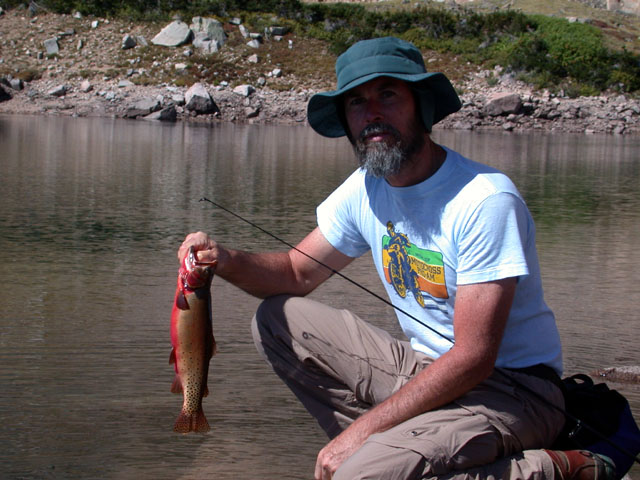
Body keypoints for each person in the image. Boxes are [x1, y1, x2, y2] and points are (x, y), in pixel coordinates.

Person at [179, 37, 615, 480]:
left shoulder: (484, 200)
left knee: (361, 474)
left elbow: (474, 357)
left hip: (513, 391)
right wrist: (224, 259)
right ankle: (389, 454)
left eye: (387, 95)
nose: (372, 113)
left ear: (421, 106)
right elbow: (295, 273)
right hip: (426, 369)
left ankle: (561, 468)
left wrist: (363, 431)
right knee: (277, 320)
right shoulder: (365, 188)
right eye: (356, 102)